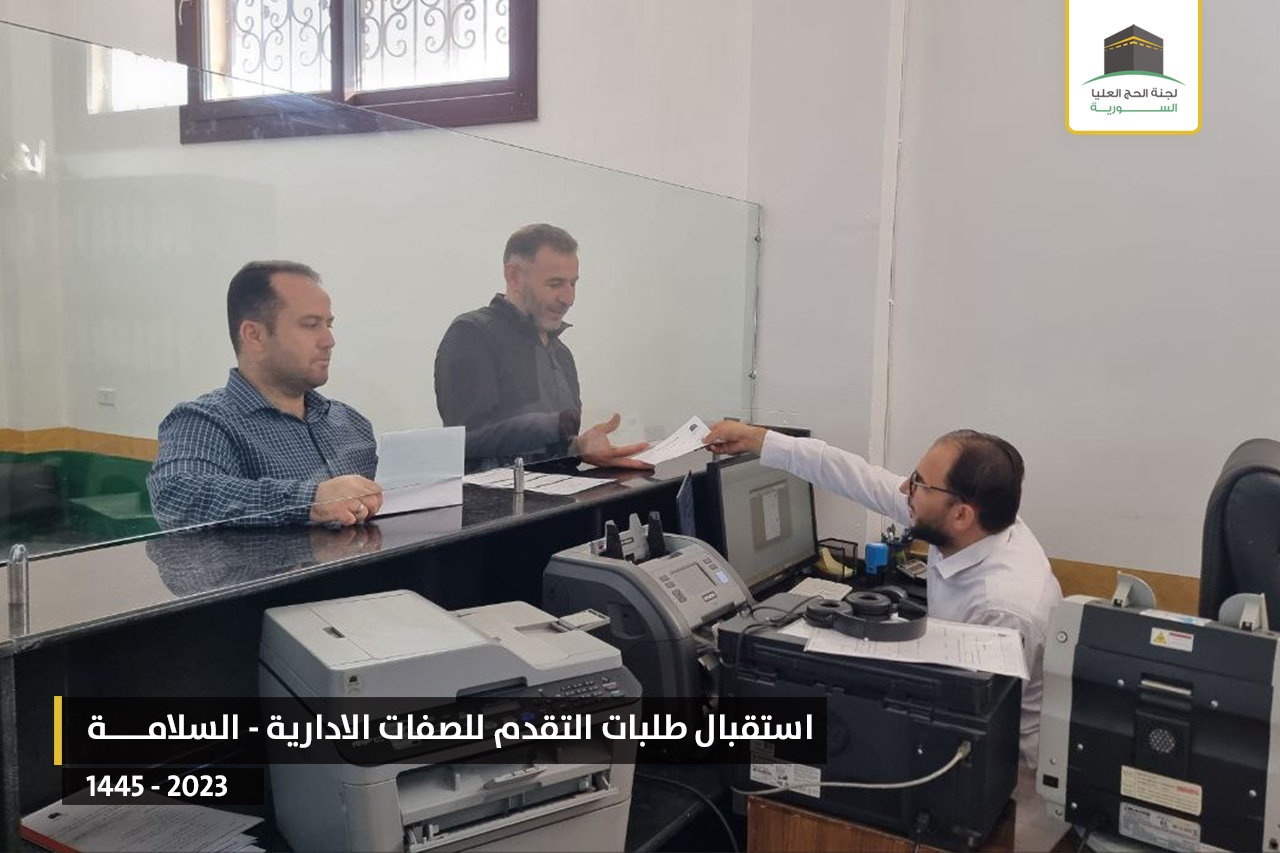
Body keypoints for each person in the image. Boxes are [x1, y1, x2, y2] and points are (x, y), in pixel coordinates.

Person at [702, 420, 1062, 769]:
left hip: (1001, 768)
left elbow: (962, 719)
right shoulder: (980, 522)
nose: (905, 487)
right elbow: (856, 476)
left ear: (962, 515)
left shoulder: (1001, 607)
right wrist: (756, 438)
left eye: (919, 483)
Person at [147, 261, 381, 529]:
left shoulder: (351, 423)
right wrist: (310, 500)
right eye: (310, 325)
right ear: (254, 335)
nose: (329, 340)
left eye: (329, 324)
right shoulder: (204, 422)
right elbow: (178, 497)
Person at [434, 223, 650, 471]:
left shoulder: (561, 354)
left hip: (566, 494)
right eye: (555, 284)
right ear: (514, 276)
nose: (569, 298)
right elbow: (465, 442)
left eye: (573, 283)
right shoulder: (471, 335)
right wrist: (554, 426)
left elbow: (548, 452)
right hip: (502, 497)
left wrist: (578, 447)